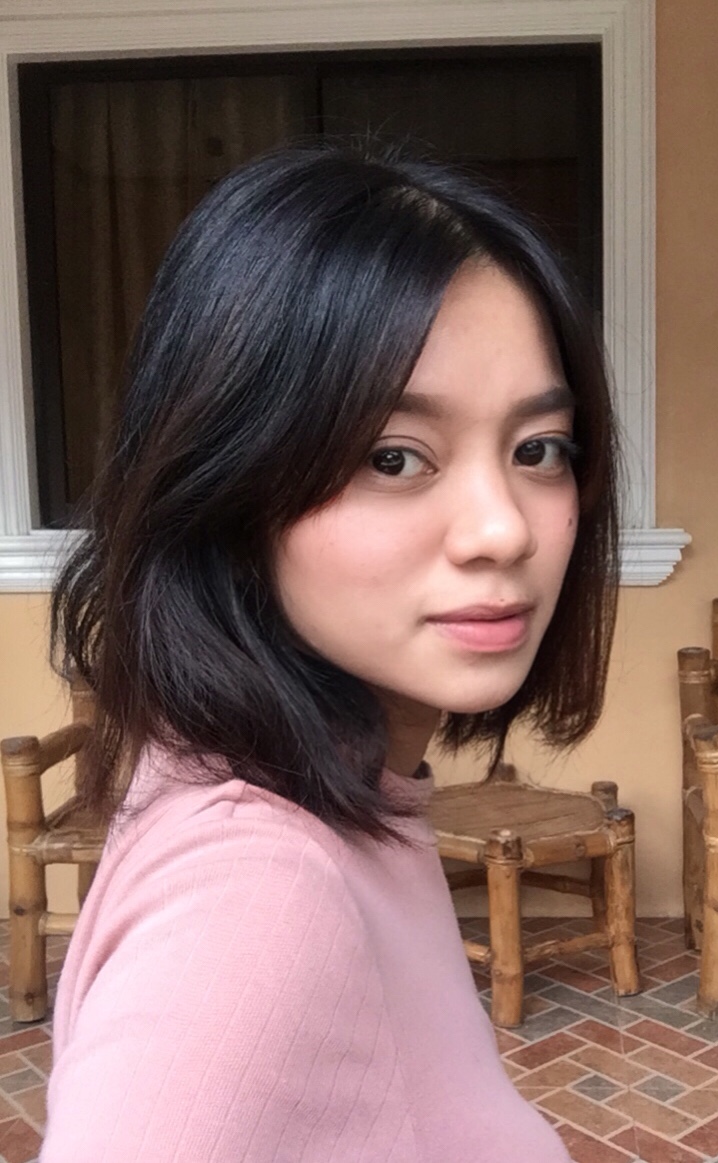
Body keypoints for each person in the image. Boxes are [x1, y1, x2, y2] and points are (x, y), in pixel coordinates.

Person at [43, 142, 620, 1162]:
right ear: (229, 483)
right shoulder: (255, 898)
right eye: (393, 456)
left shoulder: (339, 791)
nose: (503, 530)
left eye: (537, 449)